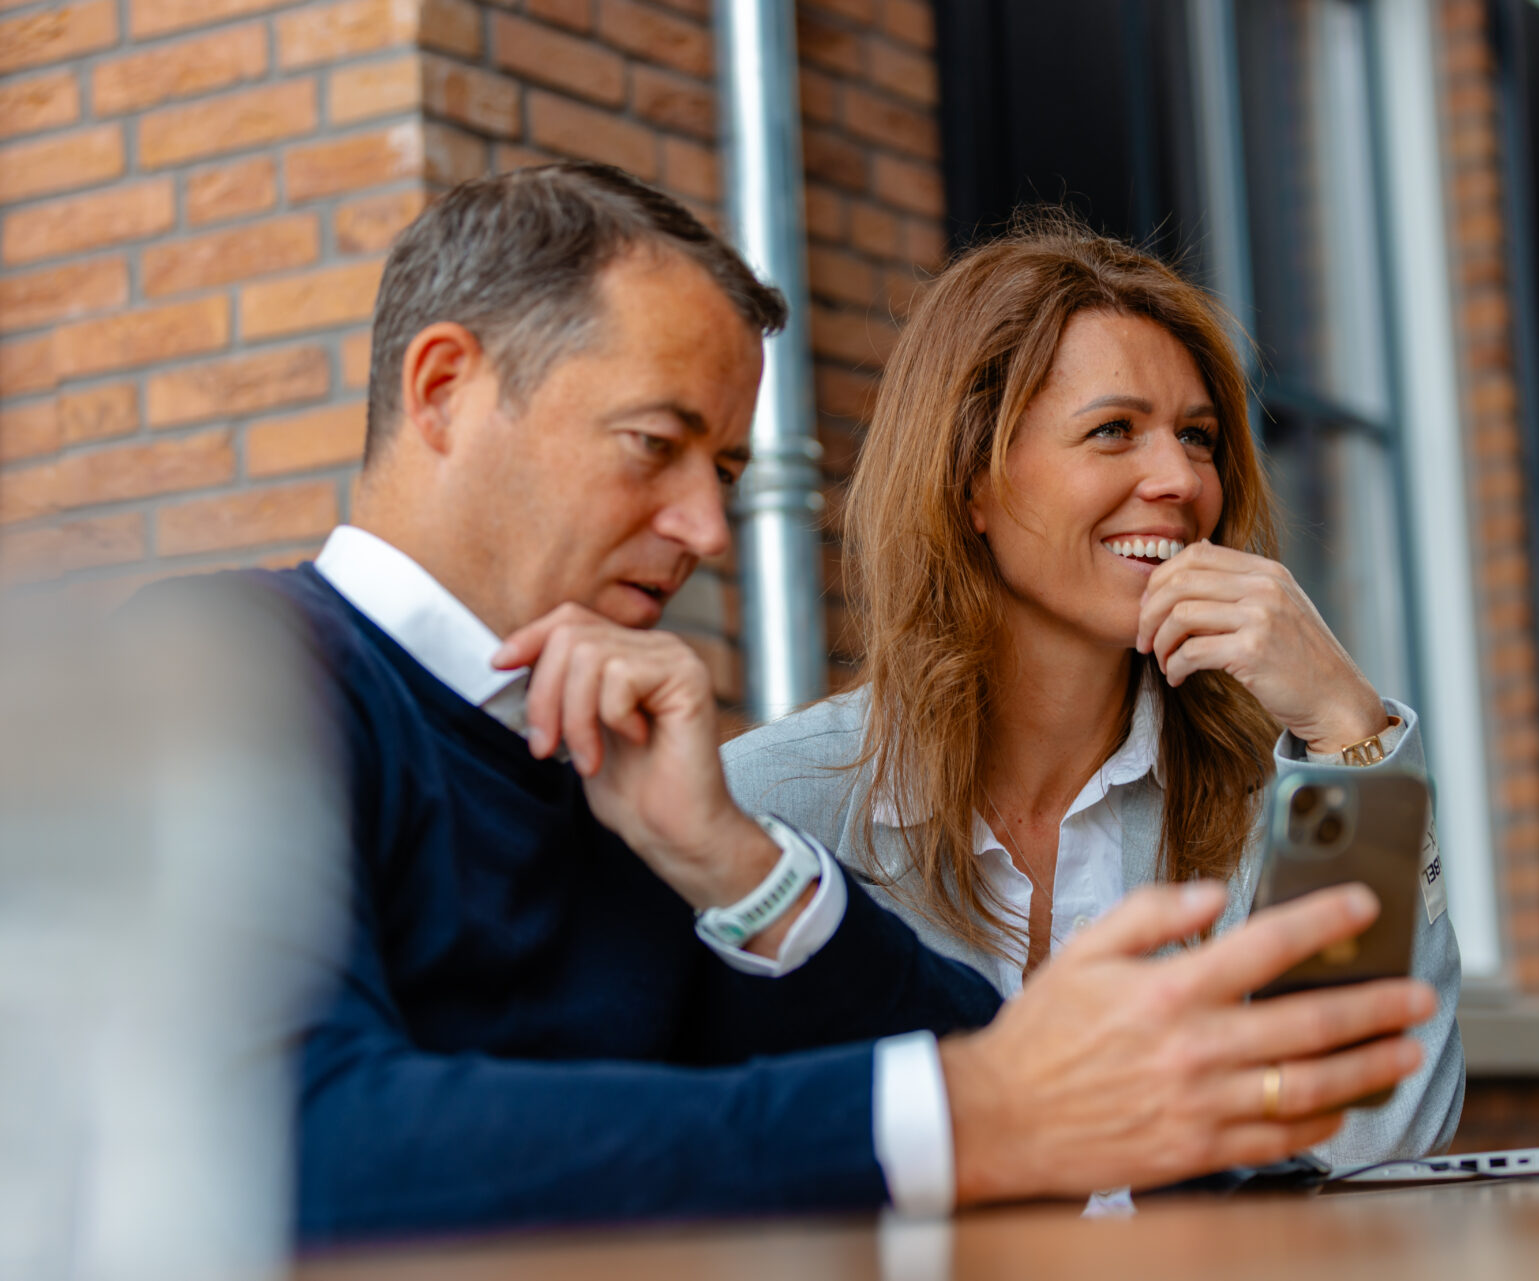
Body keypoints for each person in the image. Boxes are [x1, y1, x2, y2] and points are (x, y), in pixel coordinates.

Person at [150, 165, 1439, 1243]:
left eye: (724, 469)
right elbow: (272, 1154)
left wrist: (735, 863)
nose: (710, 529)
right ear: (444, 392)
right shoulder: (212, 673)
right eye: (656, 447)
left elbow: (1022, 1084)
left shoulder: (631, 776)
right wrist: (959, 1114)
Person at [724, 217, 1464, 1166]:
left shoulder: (1271, 803)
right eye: (1114, 430)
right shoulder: (765, 811)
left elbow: (1376, 1138)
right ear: (970, 481)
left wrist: (1348, 729)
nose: (1179, 479)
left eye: (1198, 438)